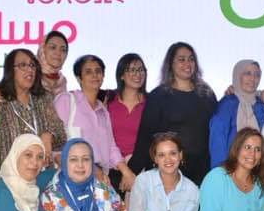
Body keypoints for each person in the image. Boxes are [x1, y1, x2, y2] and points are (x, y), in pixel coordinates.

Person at [129, 42, 217, 185]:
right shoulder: (158, 96)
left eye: (191, 59)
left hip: (202, 172)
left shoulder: (207, 94)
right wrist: (131, 171)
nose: (187, 63)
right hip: (168, 172)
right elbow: (145, 137)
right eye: (181, 59)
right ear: (170, 64)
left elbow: (217, 130)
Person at [54, 54, 136, 191]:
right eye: (88, 72)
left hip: (101, 179)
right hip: (72, 178)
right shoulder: (66, 101)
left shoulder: (103, 111)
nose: (94, 75)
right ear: (79, 78)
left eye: (98, 71)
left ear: (103, 76)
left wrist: (126, 172)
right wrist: (91, 169)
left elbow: (111, 147)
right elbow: (56, 146)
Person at [0, 48, 66, 168]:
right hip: (11, 174)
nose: (30, 70)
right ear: (10, 70)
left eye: (32, 65)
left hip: (42, 172)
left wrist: (49, 135)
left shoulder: (44, 98)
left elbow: (61, 136)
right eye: (23, 65)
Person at [209, 59, 264, 169]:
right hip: (230, 169)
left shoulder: (261, 105)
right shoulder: (227, 104)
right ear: (237, 75)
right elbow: (217, 143)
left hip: (255, 168)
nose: (253, 79)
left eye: (257, 75)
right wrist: (221, 172)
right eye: (247, 73)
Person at [106, 53, 147, 193]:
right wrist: (124, 169)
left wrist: (132, 170)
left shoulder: (151, 103)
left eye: (141, 69)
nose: (138, 74)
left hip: (140, 169)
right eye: (132, 70)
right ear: (121, 75)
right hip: (112, 167)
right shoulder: (108, 100)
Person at [37, 30, 69, 97]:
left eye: (63, 50)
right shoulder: (31, 76)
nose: (58, 53)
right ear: (43, 49)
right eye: (53, 47)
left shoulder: (62, 81)